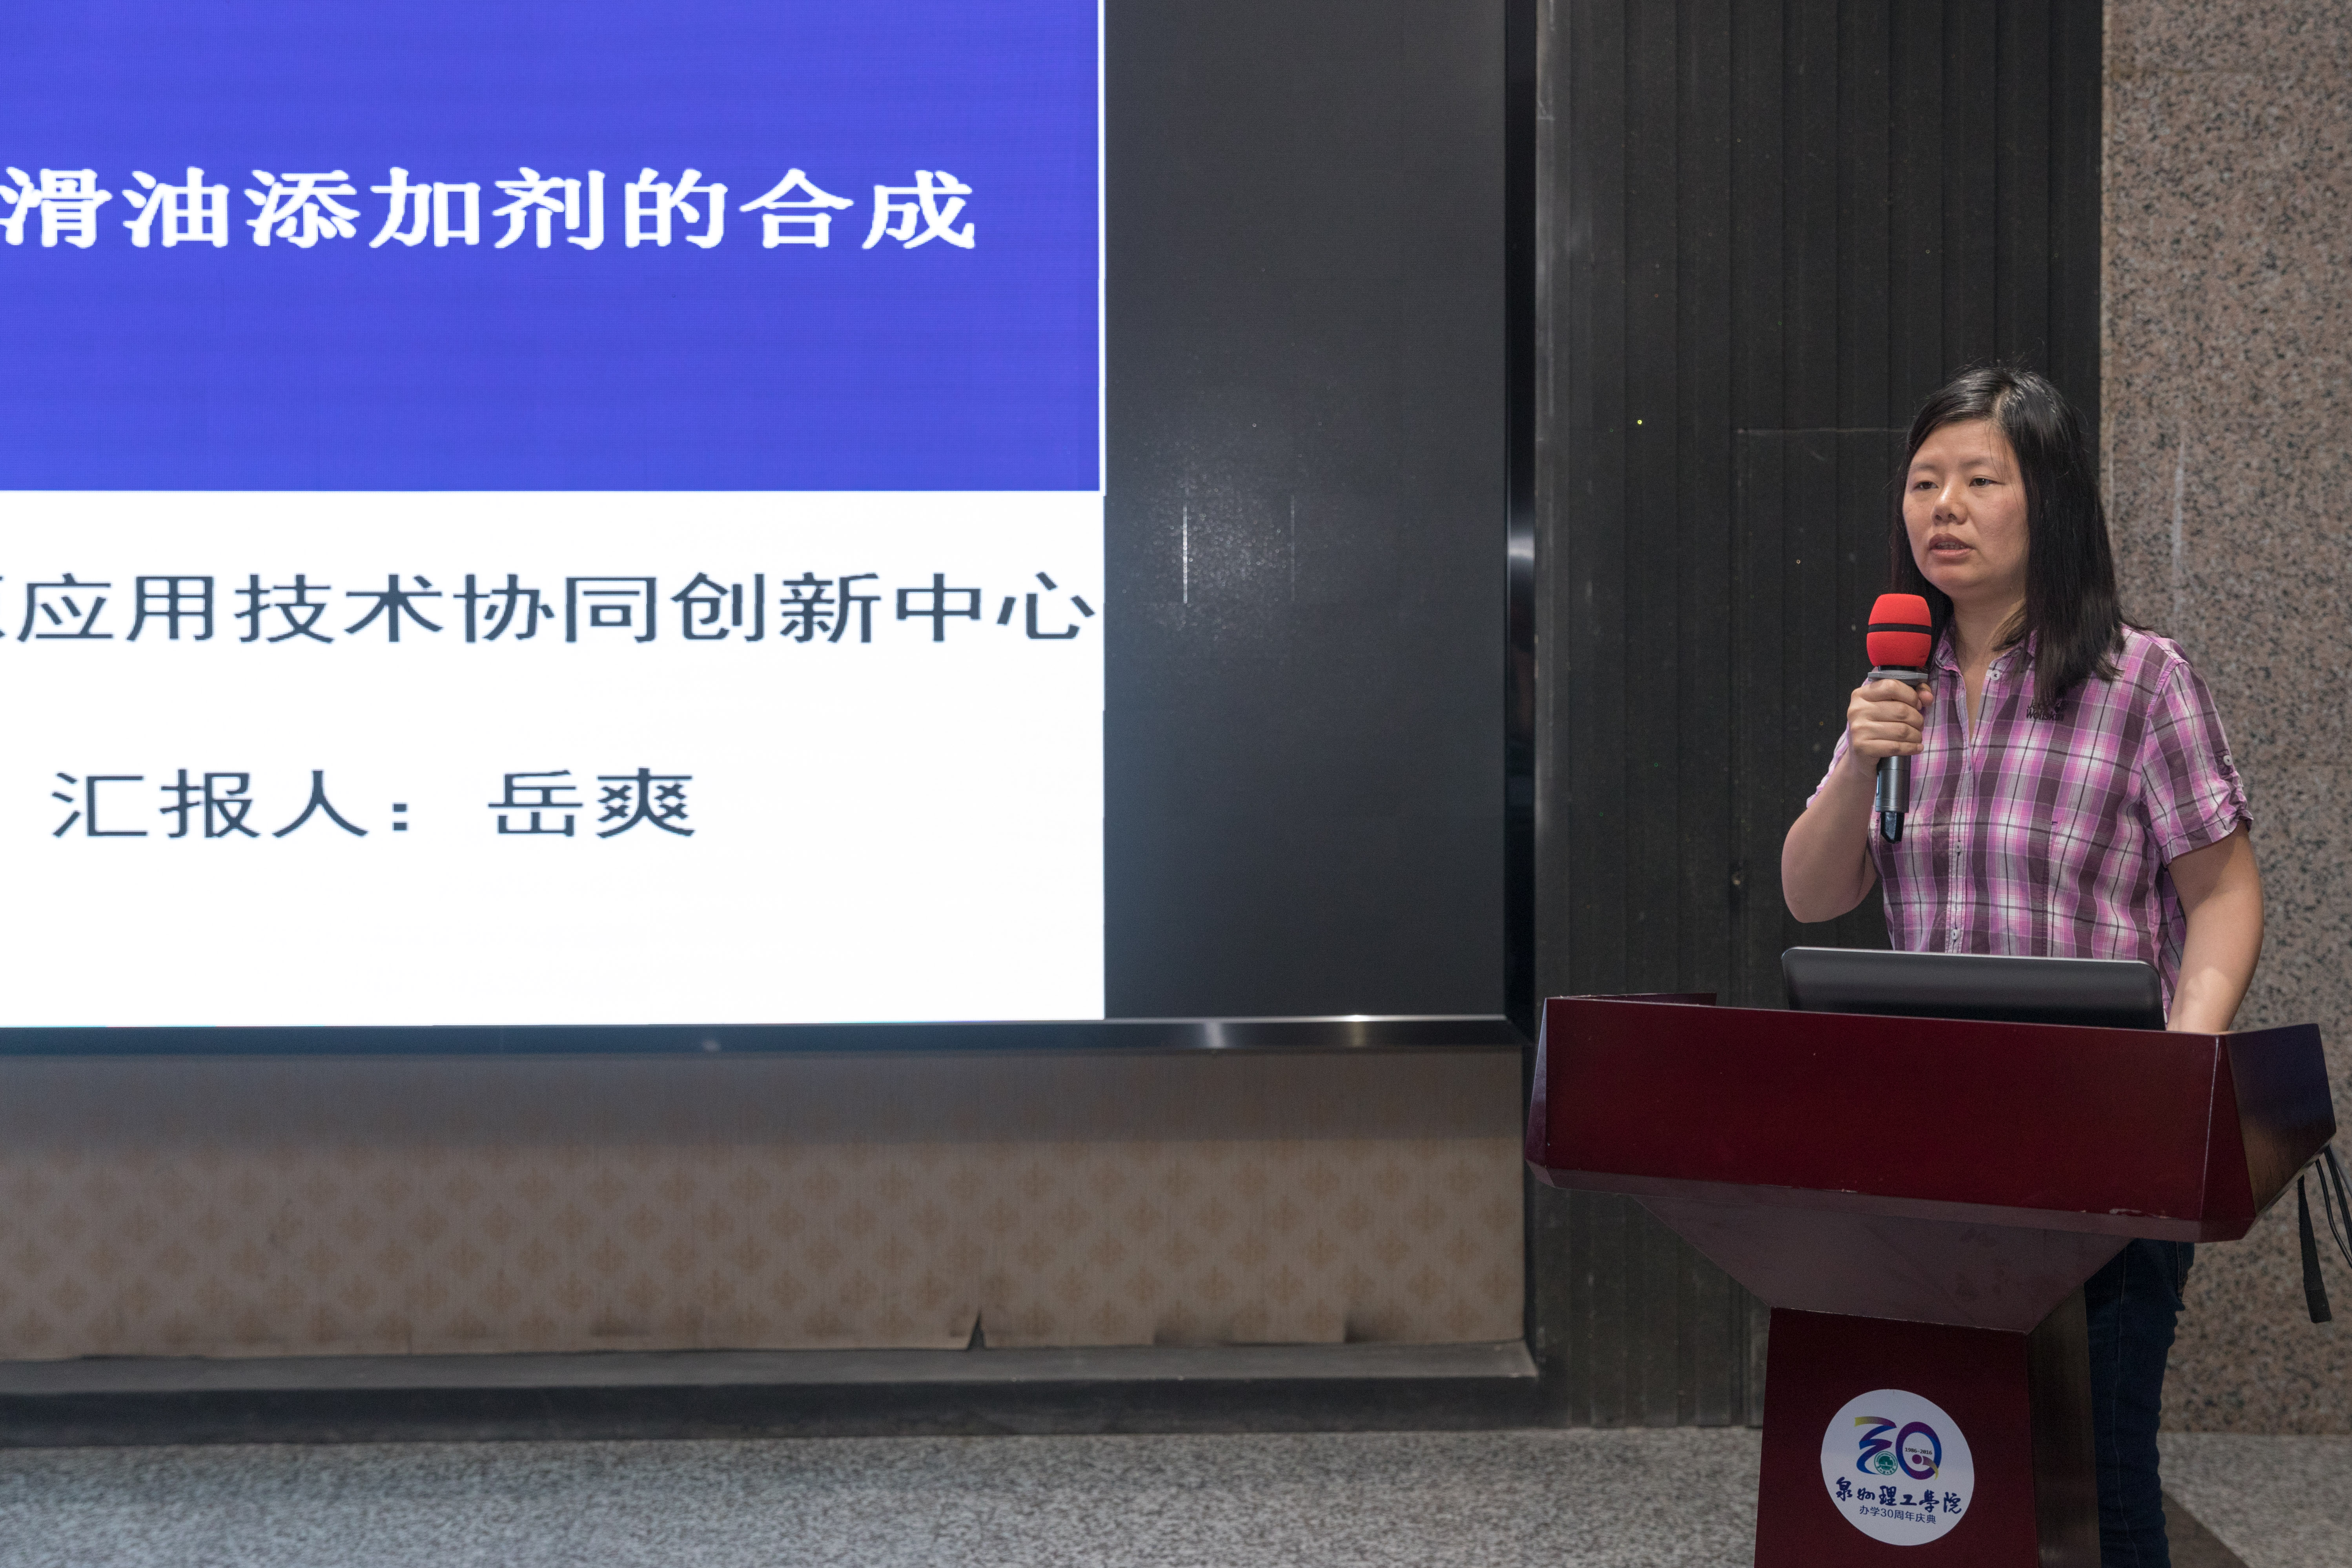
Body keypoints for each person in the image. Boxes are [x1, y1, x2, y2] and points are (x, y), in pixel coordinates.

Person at [1780, 366, 2262, 1568]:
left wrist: (2181, 1069)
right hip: (1926, 1145)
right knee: (1944, 1463)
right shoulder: (1894, 691)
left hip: (2099, 1142)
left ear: (2047, 498)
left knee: (2095, 1478)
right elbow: (1813, 894)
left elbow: (2220, 894)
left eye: (1976, 480)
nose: (1940, 506)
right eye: (1921, 482)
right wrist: (1857, 762)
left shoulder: (2139, 680)